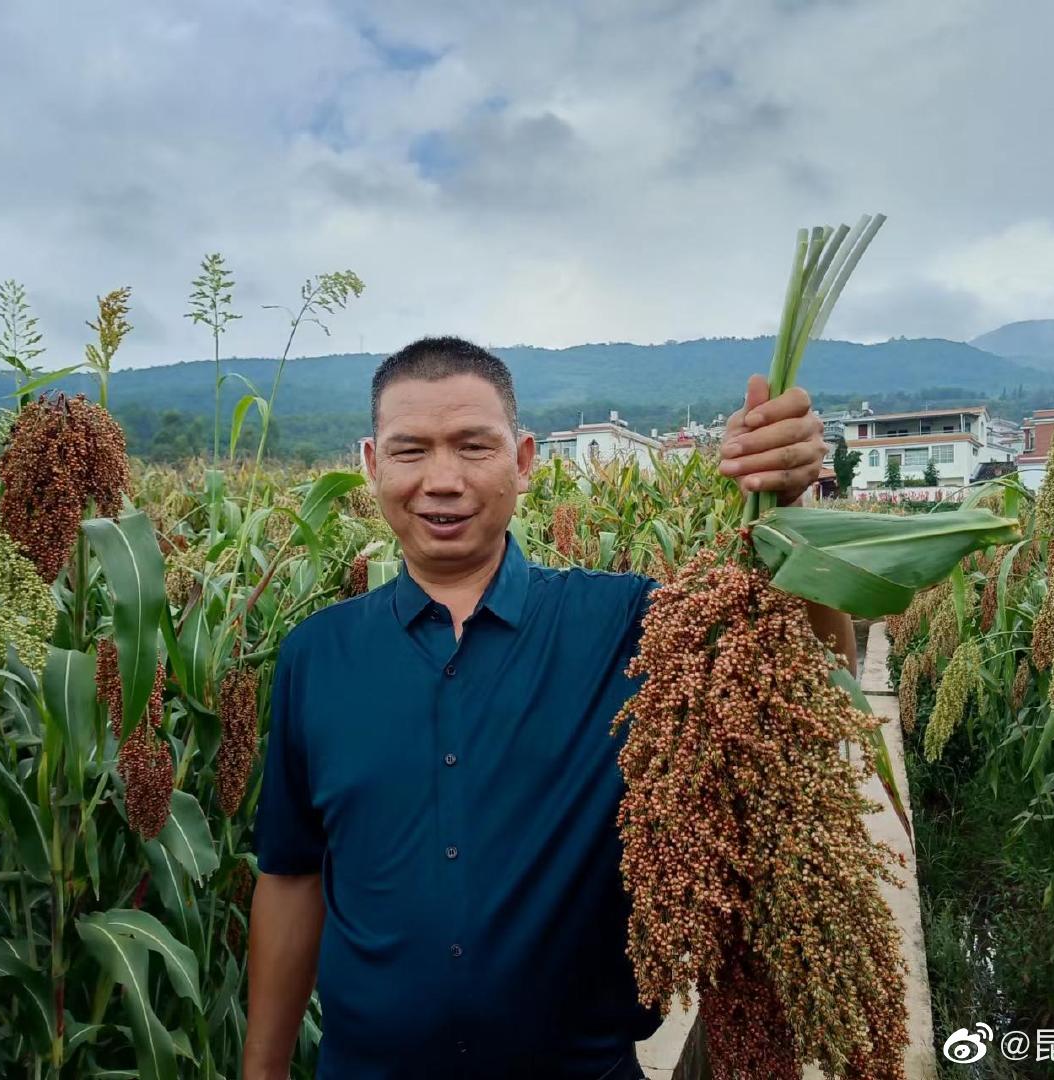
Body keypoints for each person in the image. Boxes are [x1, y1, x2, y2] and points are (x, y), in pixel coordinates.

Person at [243, 337, 854, 1080]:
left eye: (474, 446)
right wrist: (263, 1069)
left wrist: (789, 506)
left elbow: (809, 693)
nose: (442, 480)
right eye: (411, 452)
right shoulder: (317, 655)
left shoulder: (632, 626)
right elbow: (291, 874)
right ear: (372, 464)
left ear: (524, 460)